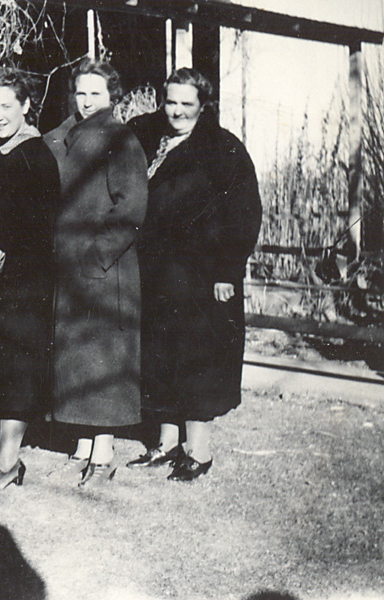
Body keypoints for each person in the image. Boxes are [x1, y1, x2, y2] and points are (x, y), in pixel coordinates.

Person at [126, 68, 261, 481]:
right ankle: (166, 443)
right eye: (171, 102)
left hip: (202, 278)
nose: (177, 111)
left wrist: (228, 271)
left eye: (187, 103)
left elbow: (244, 215)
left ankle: (198, 451)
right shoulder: (152, 140)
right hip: (157, 274)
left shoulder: (223, 149)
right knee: (159, 355)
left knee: (196, 359)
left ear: (204, 105)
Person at [43, 58, 148, 488]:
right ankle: (83, 445)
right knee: (78, 358)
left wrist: (97, 256)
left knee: (102, 359)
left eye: (95, 94)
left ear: (112, 96)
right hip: (71, 267)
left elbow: (131, 207)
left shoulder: (120, 139)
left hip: (104, 269)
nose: (86, 101)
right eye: (80, 93)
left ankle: (102, 453)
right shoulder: (66, 136)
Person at [0, 70, 60, 492]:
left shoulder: (36, 155)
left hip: (25, 278)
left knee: (18, 366)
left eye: (7, 106)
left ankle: (9, 462)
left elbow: (39, 223)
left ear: (25, 106)